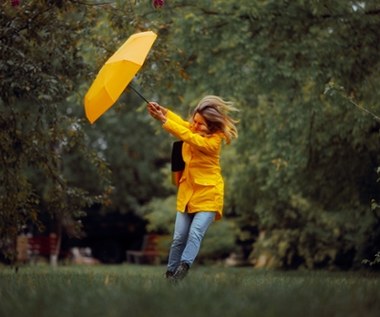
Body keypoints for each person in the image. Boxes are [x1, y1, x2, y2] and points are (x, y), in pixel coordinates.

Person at [147, 95, 238, 281]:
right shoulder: (195, 128)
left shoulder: (213, 142)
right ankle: (170, 275)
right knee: (179, 237)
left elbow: (186, 136)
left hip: (208, 195)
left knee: (195, 233)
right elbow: (181, 123)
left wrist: (163, 120)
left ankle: (183, 268)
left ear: (211, 126)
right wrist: (162, 110)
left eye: (200, 124)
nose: (194, 126)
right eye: (194, 121)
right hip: (187, 193)